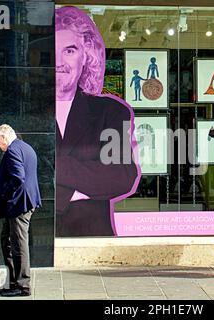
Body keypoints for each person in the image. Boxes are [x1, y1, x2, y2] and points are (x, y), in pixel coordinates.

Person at [55, 6, 139, 237]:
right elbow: (17, 177)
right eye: (51, 52)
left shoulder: (111, 112)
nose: (59, 62)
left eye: (69, 51)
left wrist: (51, 169)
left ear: (86, 55)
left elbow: (121, 176)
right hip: (36, 238)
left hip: (91, 236)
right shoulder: (27, 113)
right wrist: (85, 184)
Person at [0, 124, 41, 297]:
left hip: (19, 204)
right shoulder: (25, 147)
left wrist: (0, 191)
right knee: (8, 241)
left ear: (4, 138)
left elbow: (18, 178)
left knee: (18, 244)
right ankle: (13, 282)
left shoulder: (12, 151)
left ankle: (22, 286)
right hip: (23, 202)